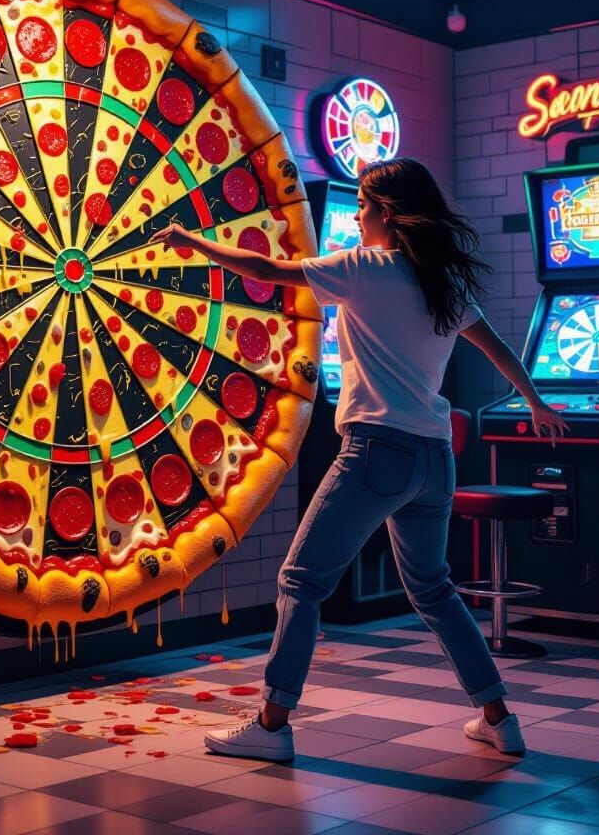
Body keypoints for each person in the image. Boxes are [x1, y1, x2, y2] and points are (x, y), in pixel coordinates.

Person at [152, 158, 568, 764]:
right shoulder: (443, 282)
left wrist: (191, 240)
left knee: (300, 580)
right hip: (434, 457)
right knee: (433, 588)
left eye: (367, 207)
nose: (358, 216)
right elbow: (497, 346)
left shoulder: (363, 267)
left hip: (376, 450)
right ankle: (499, 718)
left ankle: (272, 725)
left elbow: (267, 270)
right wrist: (534, 401)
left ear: (388, 215)